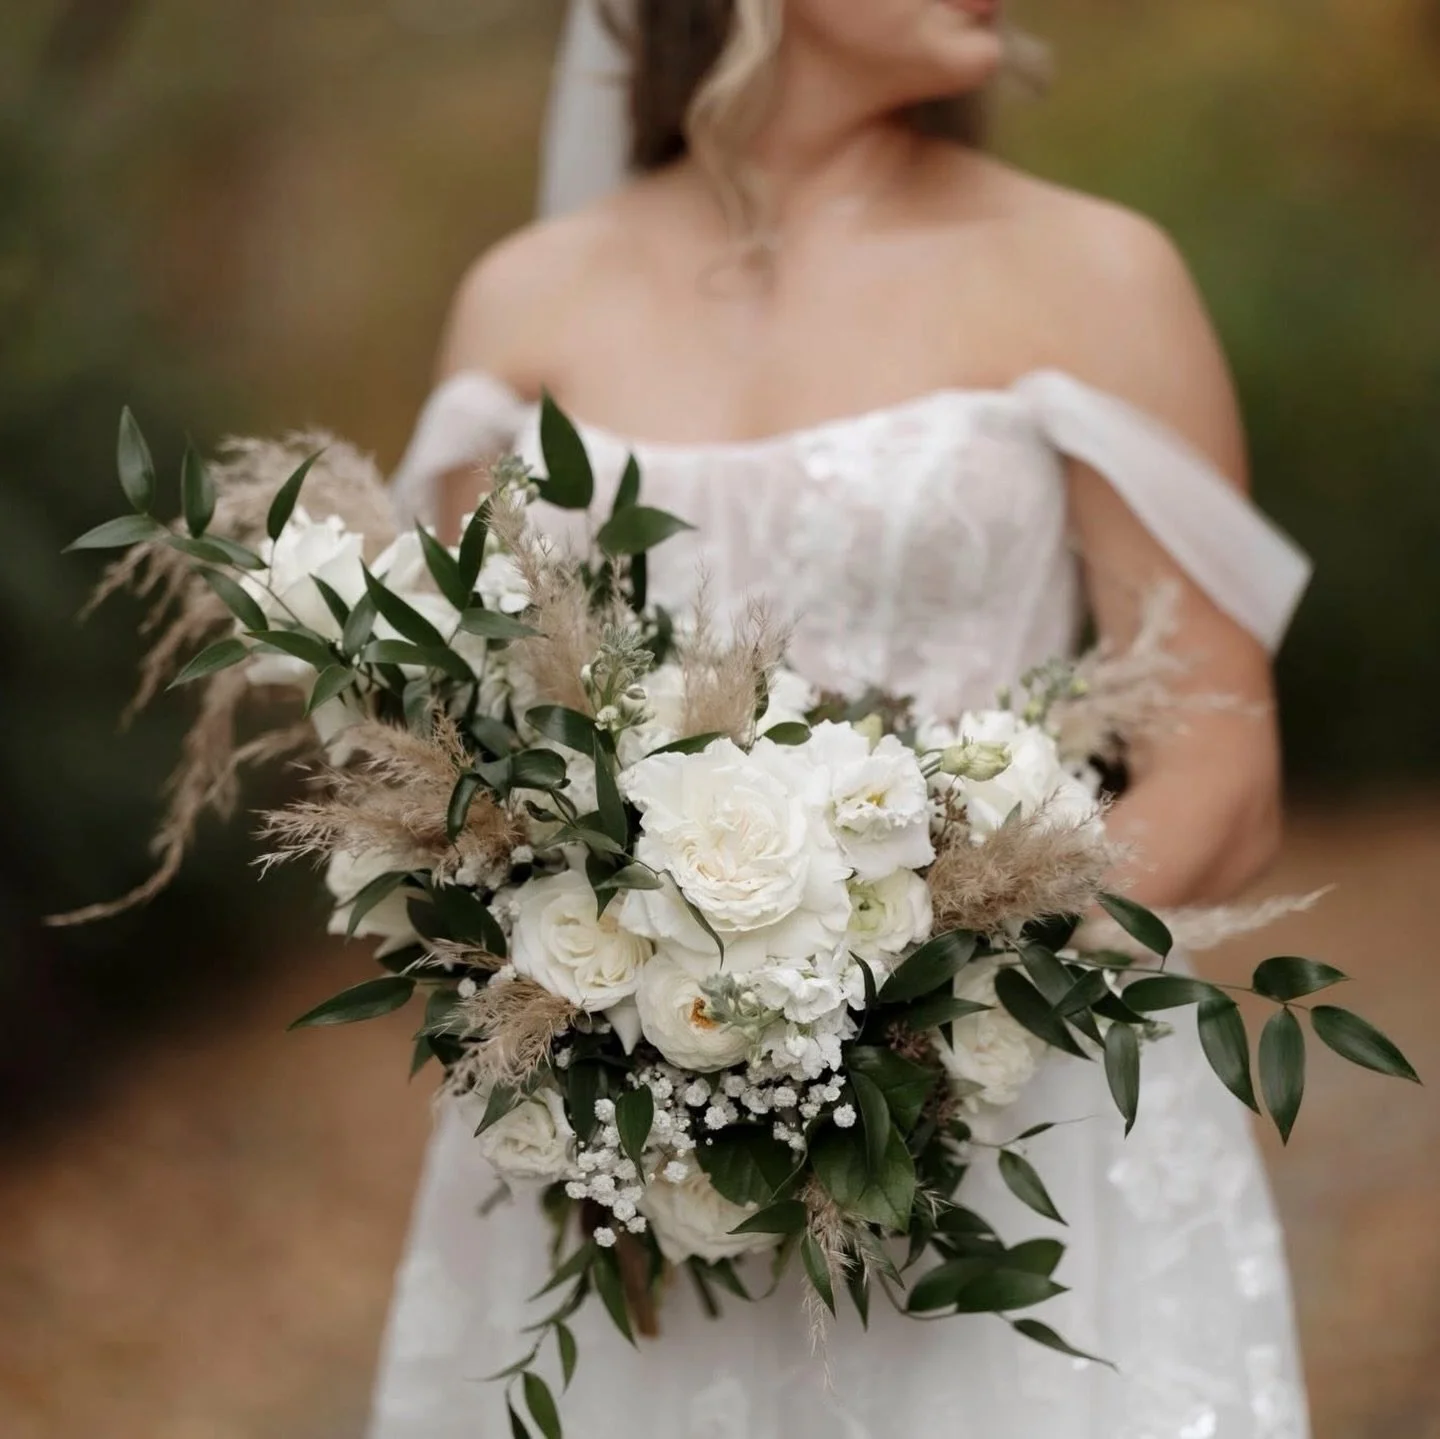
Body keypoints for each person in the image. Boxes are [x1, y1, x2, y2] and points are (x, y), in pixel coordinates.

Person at [373, 2, 1313, 1434]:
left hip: (1014, 1145)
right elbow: (465, 773)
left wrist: (917, 1021)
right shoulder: (523, 300)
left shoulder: (1096, 271)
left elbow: (1222, 766)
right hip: (627, 1175)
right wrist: (637, 1037)